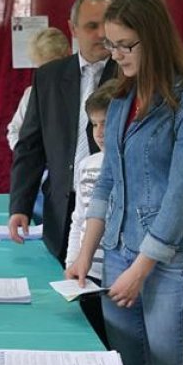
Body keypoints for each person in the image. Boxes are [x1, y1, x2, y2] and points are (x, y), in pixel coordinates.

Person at [66, 0, 183, 365]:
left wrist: (141, 268)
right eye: (111, 45)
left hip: (169, 263)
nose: (116, 55)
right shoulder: (119, 100)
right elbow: (107, 183)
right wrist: (83, 255)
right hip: (116, 255)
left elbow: (181, 196)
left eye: (125, 45)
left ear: (153, 39)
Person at [8, 0, 116, 263]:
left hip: (112, 211)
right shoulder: (49, 76)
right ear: (73, 29)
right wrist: (20, 205)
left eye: (107, 23)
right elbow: (30, 146)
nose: (102, 33)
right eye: (92, 26)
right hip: (60, 209)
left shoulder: (129, 74)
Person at [65, 85, 113, 282]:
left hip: (118, 271)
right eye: (94, 124)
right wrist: (71, 262)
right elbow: (78, 218)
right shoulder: (86, 164)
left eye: (105, 123)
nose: (99, 133)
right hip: (88, 271)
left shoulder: (132, 168)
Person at [6, 27, 70, 150]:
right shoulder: (32, 93)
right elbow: (14, 131)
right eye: (42, 68)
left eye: (53, 66)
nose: (49, 74)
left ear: (68, 54)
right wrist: (27, 155)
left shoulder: (86, 86)